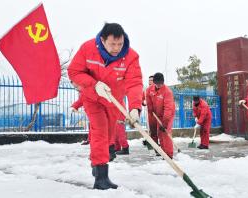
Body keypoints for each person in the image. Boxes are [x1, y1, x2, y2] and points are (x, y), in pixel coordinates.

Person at [67, 23, 143, 190]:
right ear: (102, 40)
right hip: (92, 97)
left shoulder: (131, 57)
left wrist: (135, 108)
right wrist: (94, 84)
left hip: (113, 100)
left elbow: (134, 83)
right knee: (100, 130)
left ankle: (97, 163)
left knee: (109, 134)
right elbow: (74, 72)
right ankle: (101, 177)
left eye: (120, 44)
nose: (116, 48)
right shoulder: (88, 49)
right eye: (112, 44)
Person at [146, 73, 175, 159]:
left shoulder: (167, 92)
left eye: (160, 84)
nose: (159, 85)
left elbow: (168, 109)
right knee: (159, 133)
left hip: (167, 114)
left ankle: (169, 155)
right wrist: (150, 109)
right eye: (157, 83)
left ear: (163, 82)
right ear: (154, 82)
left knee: (165, 132)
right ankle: (163, 153)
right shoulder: (150, 89)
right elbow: (148, 98)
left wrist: (165, 123)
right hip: (157, 114)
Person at [142, 75, 157, 147]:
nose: (150, 82)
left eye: (151, 80)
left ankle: (158, 143)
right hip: (149, 113)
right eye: (149, 80)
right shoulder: (146, 90)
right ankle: (152, 143)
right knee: (150, 129)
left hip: (158, 113)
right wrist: (144, 102)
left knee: (158, 129)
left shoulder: (157, 89)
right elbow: (142, 99)